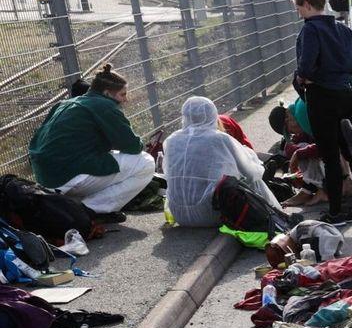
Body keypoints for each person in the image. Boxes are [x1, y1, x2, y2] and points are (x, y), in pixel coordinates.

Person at [28, 63, 155, 219]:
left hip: (45, 176)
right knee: (146, 162)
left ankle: (76, 206)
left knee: (109, 159)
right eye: (123, 94)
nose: (125, 99)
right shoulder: (105, 105)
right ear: (107, 93)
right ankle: (92, 209)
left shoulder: (64, 104)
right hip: (68, 175)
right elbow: (133, 146)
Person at [291, 0, 352, 225]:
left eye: (298, 7)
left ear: (306, 4)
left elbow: (306, 66)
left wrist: (300, 78)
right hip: (346, 95)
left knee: (330, 154)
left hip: (321, 97)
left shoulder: (310, 30)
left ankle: (335, 212)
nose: (298, 12)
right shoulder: (343, 29)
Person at [161, 96, 274, 229]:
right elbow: (252, 173)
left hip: (179, 214)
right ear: (213, 115)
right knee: (253, 180)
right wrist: (254, 162)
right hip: (211, 215)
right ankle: (273, 215)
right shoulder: (219, 139)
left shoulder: (171, 140)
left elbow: (168, 173)